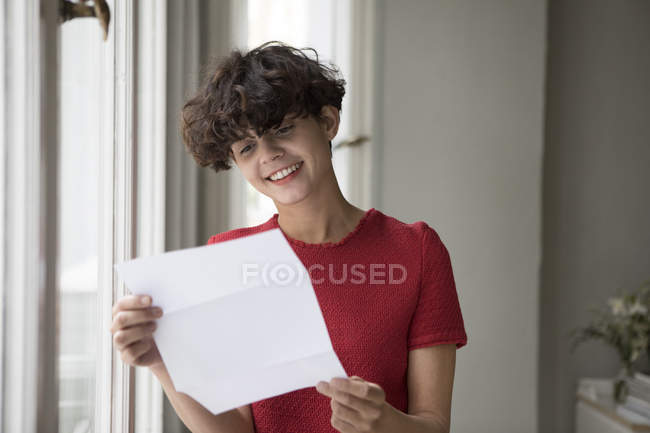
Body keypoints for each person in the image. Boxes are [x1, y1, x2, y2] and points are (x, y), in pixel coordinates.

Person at [110, 41, 467, 433]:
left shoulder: (415, 249)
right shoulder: (228, 258)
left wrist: (384, 423)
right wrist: (163, 361)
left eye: (282, 128)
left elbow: (434, 425)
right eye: (247, 147)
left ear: (328, 122)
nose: (269, 153)